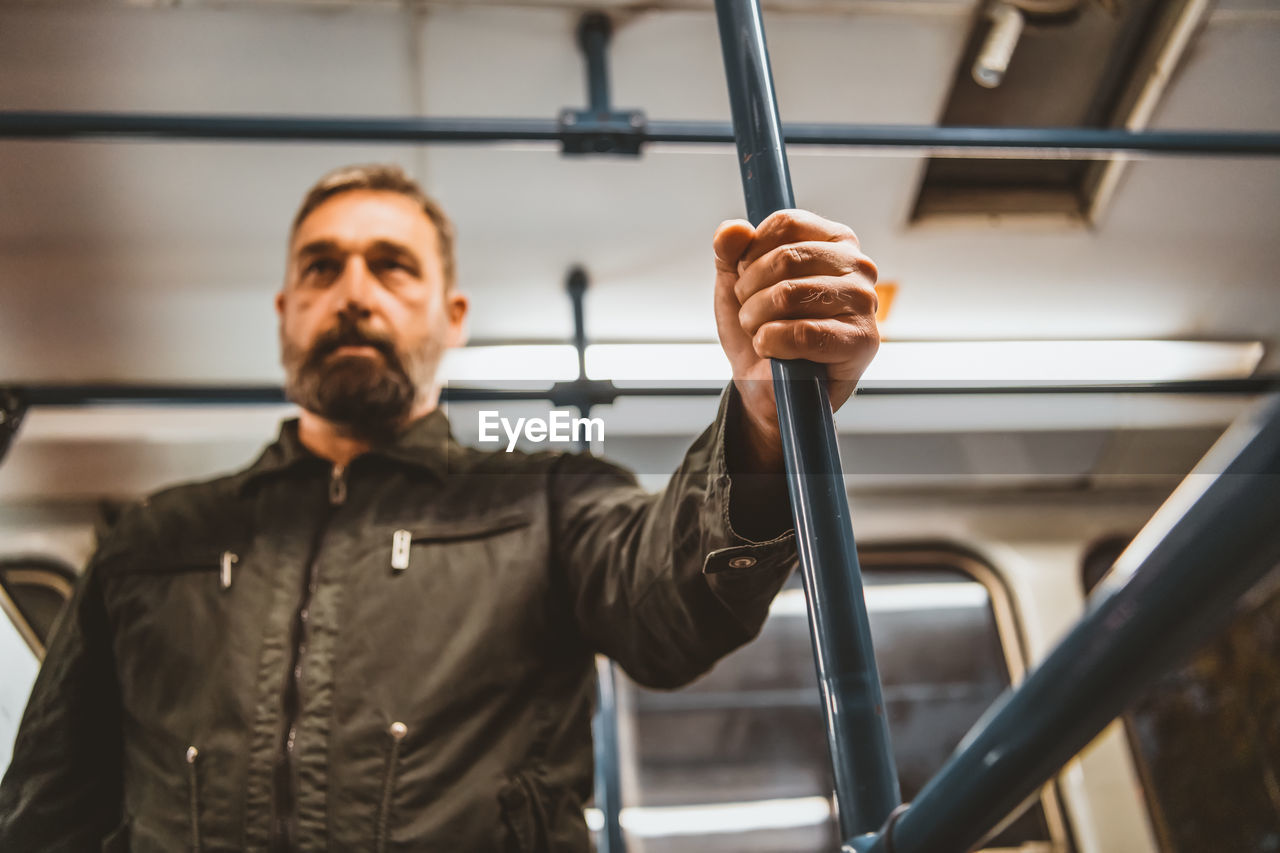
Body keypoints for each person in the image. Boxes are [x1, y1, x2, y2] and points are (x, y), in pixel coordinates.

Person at [0, 164, 880, 851]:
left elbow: (675, 607)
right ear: (284, 312)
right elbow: (46, 810)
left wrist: (765, 419)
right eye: (321, 267)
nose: (353, 291)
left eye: (390, 266)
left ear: (451, 314)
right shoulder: (153, 542)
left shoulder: (545, 501)